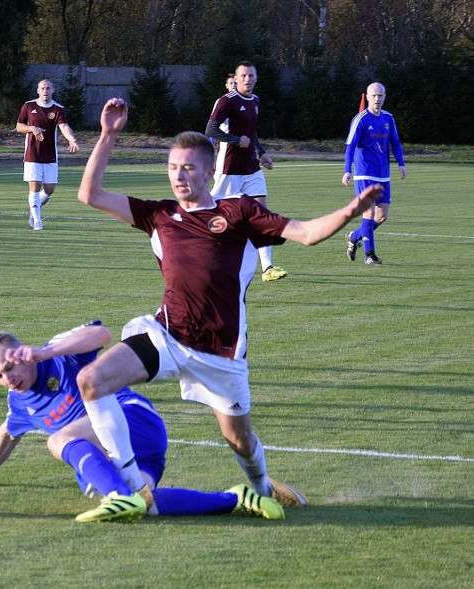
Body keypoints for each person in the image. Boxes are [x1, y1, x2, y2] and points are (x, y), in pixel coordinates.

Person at [74, 97, 383, 521]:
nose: (179, 176)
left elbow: (307, 234)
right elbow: (89, 194)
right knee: (92, 380)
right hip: (166, 335)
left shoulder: (238, 212)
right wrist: (108, 135)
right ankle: (134, 489)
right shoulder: (158, 214)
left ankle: (261, 488)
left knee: (239, 440)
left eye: (187, 168)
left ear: (209, 171)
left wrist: (351, 211)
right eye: (172, 168)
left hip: (220, 353)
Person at [0, 322, 285, 522]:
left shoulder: (57, 354)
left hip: (133, 418)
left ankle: (117, 496)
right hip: (127, 453)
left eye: (9, 367)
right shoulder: (18, 402)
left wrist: (45, 351)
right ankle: (236, 499)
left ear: (19, 353)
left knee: (57, 440)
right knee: (147, 505)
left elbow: (100, 334)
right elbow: (7, 433)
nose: (7, 378)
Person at [205, 61, 287, 282]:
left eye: (251, 75)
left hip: (251, 168)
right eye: (244, 76)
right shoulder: (226, 101)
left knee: (261, 212)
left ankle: (267, 267)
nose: (247, 79)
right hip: (229, 168)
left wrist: (262, 153)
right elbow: (210, 129)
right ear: (237, 79)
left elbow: (252, 133)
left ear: (256, 78)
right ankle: (195, 245)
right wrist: (234, 140)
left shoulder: (255, 101)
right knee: (214, 212)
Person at [342, 82, 406, 265]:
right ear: (368, 97)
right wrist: (347, 170)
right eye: (374, 96)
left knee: (382, 216)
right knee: (368, 213)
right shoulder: (360, 119)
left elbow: (396, 143)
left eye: (380, 95)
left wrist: (401, 164)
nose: (377, 99)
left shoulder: (388, 118)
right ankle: (369, 255)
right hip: (364, 173)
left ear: (385, 97)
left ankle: (354, 237)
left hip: (383, 173)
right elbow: (350, 146)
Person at [16, 79, 79, 230]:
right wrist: (33, 129)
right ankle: (37, 221)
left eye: (48, 88)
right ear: (38, 91)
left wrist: (71, 139)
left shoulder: (58, 109)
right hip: (32, 153)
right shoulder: (29, 106)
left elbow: (63, 126)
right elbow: (19, 126)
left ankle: (33, 209)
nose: (45, 91)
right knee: (35, 186)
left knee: (49, 188)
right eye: (42, 88)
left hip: (50, 154)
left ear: (53, 90)